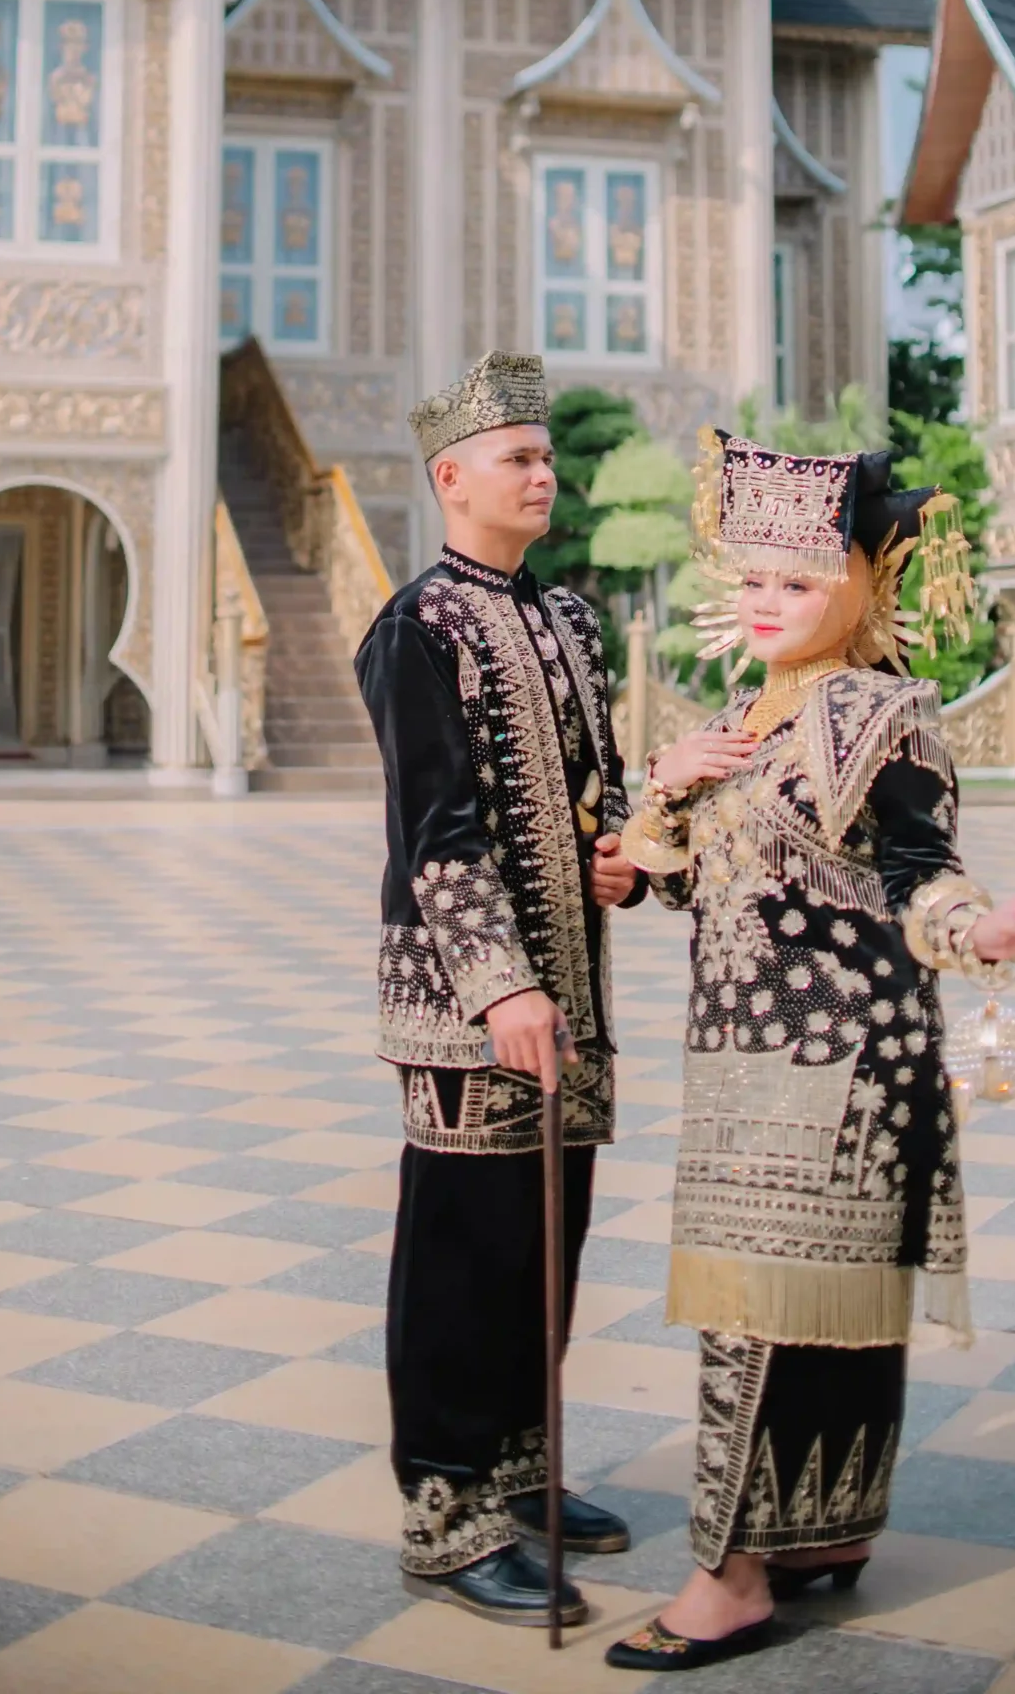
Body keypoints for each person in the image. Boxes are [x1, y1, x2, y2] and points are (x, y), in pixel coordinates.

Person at [603, 434, 1015, 1673]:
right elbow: (690, 884)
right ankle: (823, 1529)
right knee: (793, 1318)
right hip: (739, 1065)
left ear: (862, 587)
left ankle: (728, 1579)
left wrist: (984, 930)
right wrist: (659, 795)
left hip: (842, 1069)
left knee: (754, 1323)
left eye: (800, 580)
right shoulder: (738, 719)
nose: (767, 601)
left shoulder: (886, 716)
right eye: (753, 578)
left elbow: (924, 876)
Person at [356, 350, 643, 1628]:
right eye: (518, 458)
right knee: (464, 1248)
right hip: (466, 1003)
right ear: (451, 478)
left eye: (547, 455)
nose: (544, 475)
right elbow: (436, 830)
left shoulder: (570, 620)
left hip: (571, 993)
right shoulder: (417, 628)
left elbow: (600, 786)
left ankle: (524, 1466)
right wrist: (498, 987)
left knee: (547, 1235)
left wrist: (622, 858)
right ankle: (446, 1508)